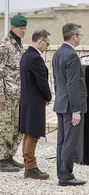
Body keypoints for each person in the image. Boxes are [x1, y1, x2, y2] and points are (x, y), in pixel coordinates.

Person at [52, 23, 87, 186]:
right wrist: (76, 110)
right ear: (73, 36)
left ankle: (62, 173)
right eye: (79, 35)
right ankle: (66, 176)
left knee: (62, 141)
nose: (80, 38)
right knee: (70, 141)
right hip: (70, 106)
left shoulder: (58, 52)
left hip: (61, 103)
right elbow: (73, 84)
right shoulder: (71, 55)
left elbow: (57, 82)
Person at [19, 29, 52, 180]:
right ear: (40, 41)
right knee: (33, 133)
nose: (48, 46)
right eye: (47, 43)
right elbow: (42, 81)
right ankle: (31, 168)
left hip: (27, 99)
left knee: (28, 132)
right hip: (34, 101)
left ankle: (28, 165)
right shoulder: (35, 58)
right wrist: (48, 96)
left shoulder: (26, 55)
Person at [0, 15, 27, 172]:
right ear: (12, 27)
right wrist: (0, 94)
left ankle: (9, 156)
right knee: (5, 125)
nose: (23, 31)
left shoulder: (18, 45)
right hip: (7, 94)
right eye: (21, 28)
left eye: (24, 28)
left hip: (19, 93)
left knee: (17, 126)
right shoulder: (5, 46)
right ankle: (1, 159)